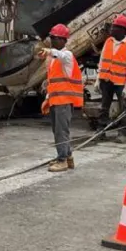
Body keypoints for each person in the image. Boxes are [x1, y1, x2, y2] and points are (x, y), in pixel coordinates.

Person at [39, 24, 83, 172]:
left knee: (61, 131)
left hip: (64, 102)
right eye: (51, 38)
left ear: (63, 40)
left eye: (55, 38)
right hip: (56, 101)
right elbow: (52, 81)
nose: (52, 40)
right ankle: (67, 157)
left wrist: (50, 51)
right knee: (57, 130)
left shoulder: (67, 55)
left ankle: (62, 160)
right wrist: (47, 98)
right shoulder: (53, 59)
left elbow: (62, 55)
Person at [96, 14, 126, 141]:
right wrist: (98, 79)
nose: (112, 29)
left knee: (123, 108)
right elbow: (102, 61)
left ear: (123, 30)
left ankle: (122, 133)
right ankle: (100, 131)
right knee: (104, 107)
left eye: (115, 27)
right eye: (113, 26)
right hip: (105, 80)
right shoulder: (108, 42)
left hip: (120, 83)